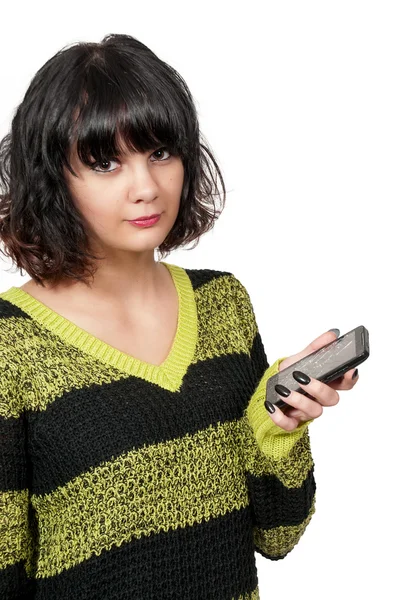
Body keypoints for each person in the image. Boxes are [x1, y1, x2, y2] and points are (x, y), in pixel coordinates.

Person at [0, 33, 359, 599]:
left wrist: (277, 429)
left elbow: (278, 535)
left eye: (160, 153)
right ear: (53, 178)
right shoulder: (10, 345)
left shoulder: (224, 305)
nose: (145, 187)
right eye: (104, 162)